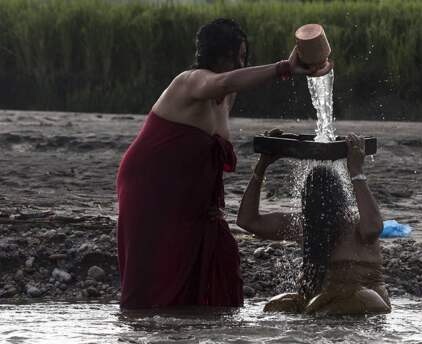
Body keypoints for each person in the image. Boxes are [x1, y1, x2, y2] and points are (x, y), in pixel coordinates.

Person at [116, 19, 332, 309]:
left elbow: (237, 81)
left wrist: (309, 66)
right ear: (218, 54)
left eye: (244, 56)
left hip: (193, 202)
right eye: (237, 55)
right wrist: (284, 68)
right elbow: (224, 81)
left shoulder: (227, 94)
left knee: (221, 260)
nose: (241, 62)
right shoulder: (190, 81)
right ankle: (142, 328)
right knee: (155, 274)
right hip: (150, 191)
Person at [236, 134, 390, 315]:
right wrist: (261, 167)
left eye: (326, 204)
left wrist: (356, 171)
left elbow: (374, 227)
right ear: (306, 205)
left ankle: (315, 313)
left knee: (358, 297)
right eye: (315, 205)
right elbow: (248, 221)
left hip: (364, 302)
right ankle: (313, 315)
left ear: (340, 203)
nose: (321, 211)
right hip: (320, 303)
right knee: (276, 304)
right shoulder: (303, 224)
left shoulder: (356, 224)